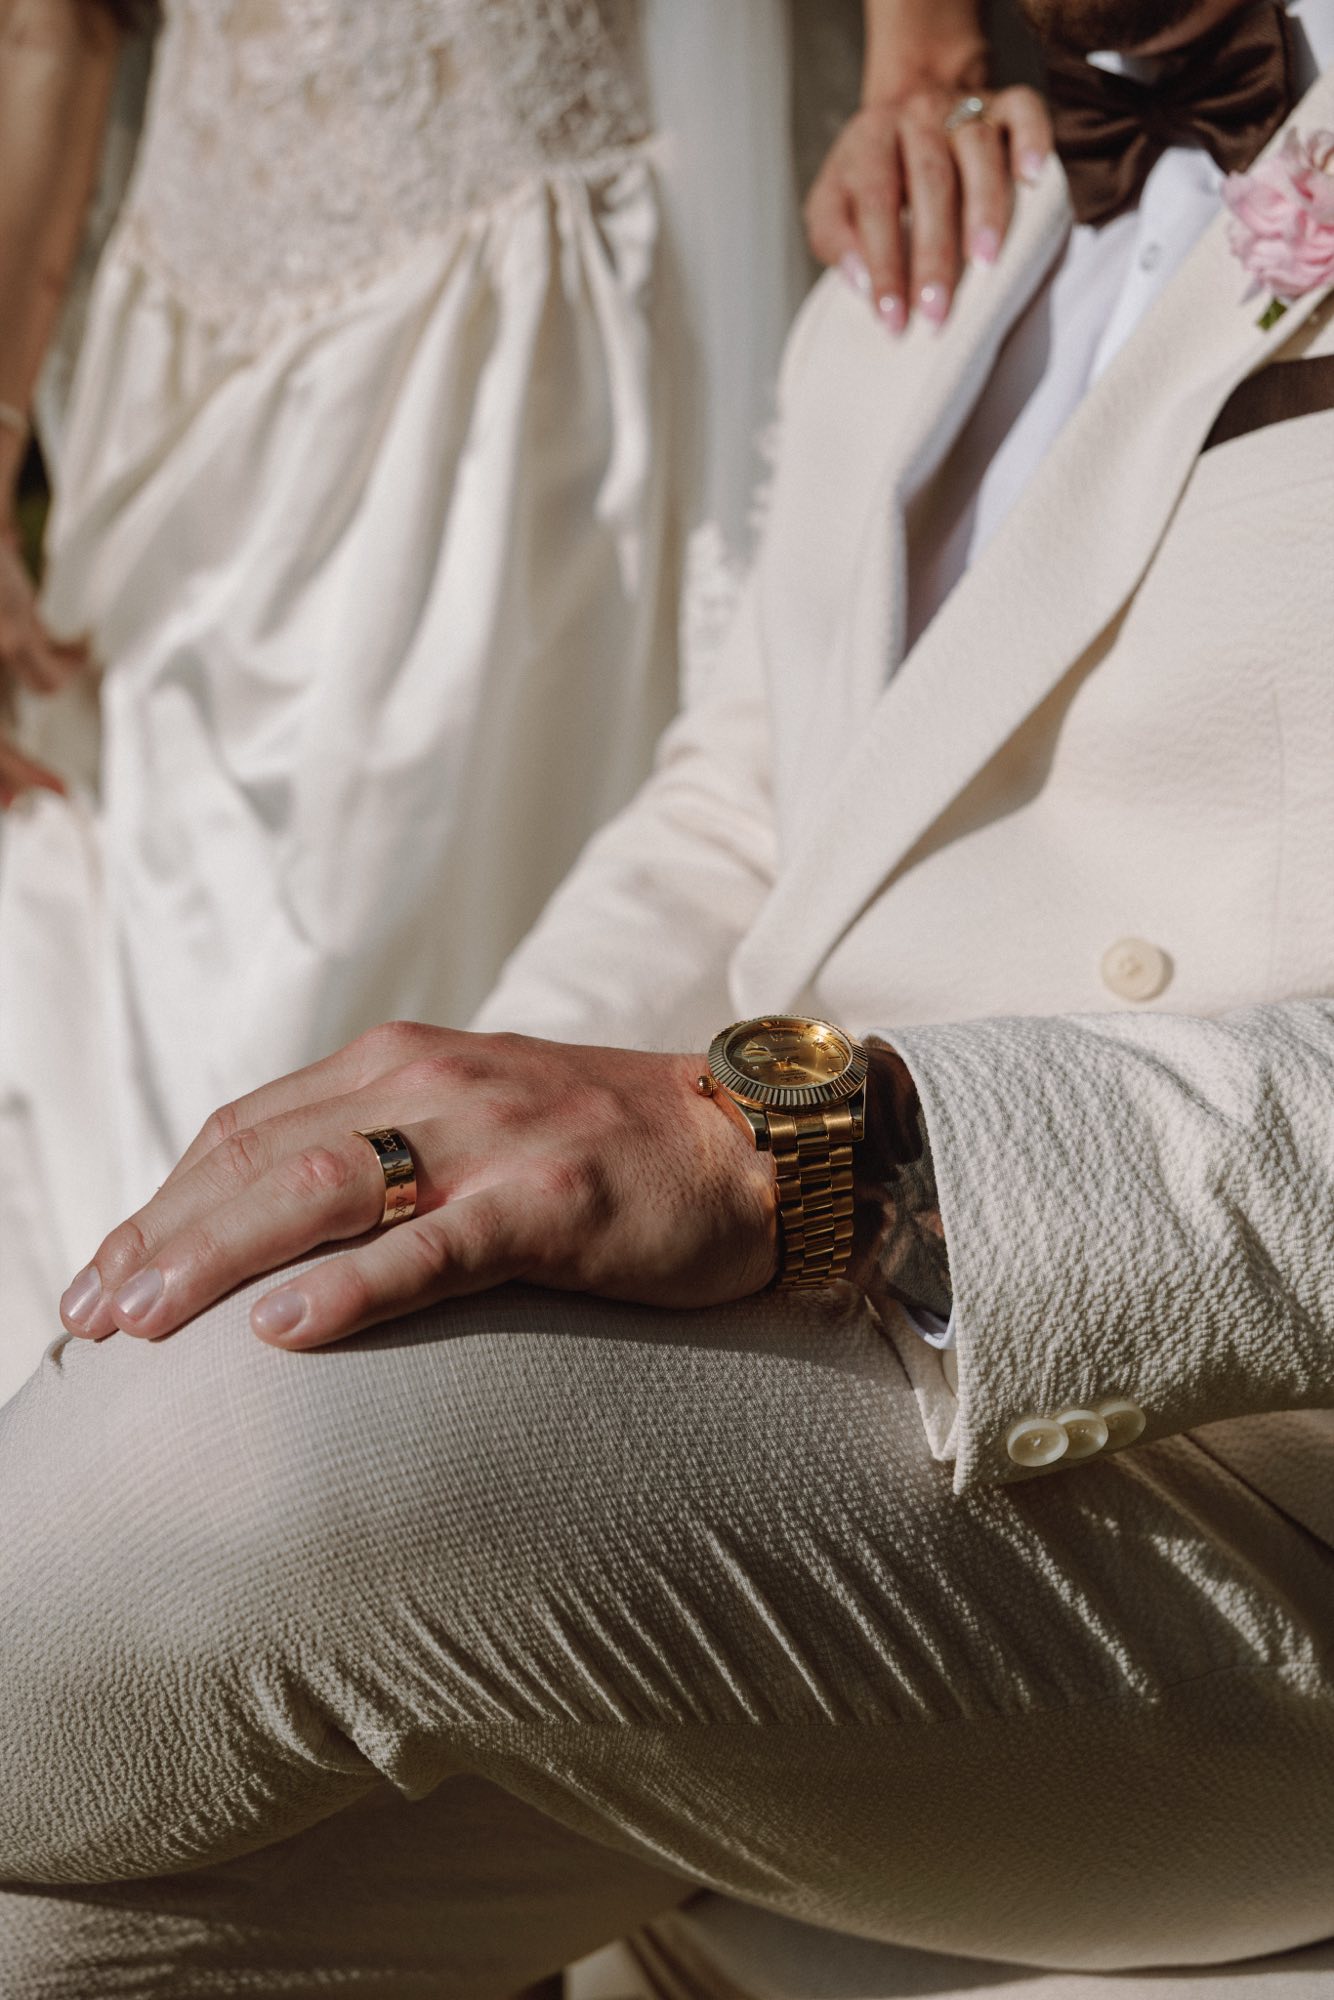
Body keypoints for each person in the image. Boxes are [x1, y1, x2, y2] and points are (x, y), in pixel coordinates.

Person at [6, 0, 1333, 1995]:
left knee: (244, 1448)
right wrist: (435, 1151)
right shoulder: (954, 183)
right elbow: (751, 797)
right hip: (805, 1431)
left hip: (1233, 1493)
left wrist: (815, 1156)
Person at [0, 0, 1030, 1408]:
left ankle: (356, 1435)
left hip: (508, 326)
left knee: (422, 929)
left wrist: (925, 65)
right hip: (189, 344)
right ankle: (115, 1443)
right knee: (138, 945)